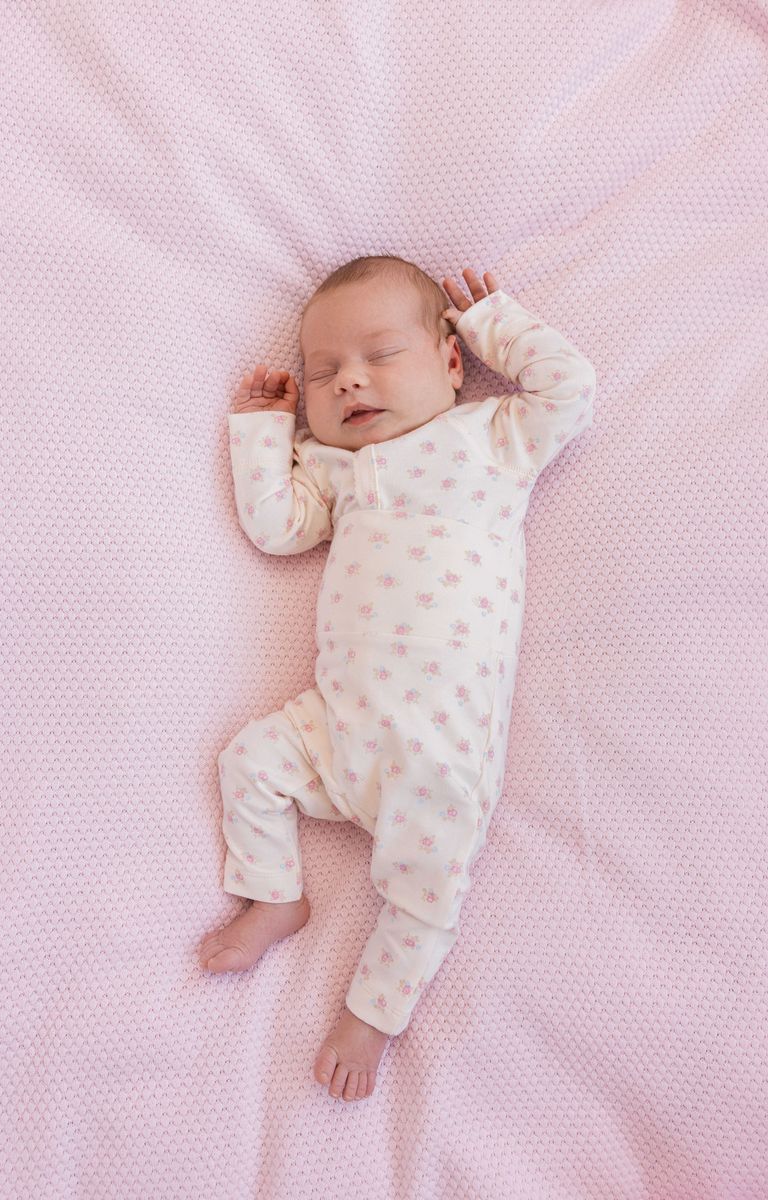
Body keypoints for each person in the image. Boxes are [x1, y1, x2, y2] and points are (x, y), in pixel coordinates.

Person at [199, 257, 596, 1102]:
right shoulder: (331, 468)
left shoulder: (491, 437)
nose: (350, 379)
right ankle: (274, 896)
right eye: (323, 373)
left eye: (380, 355)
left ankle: (372, 1017)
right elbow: (276, 527)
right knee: (249, 762)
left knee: (424, 892)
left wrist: (493, 323)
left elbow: (570, 390)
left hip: (437, 751)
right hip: (335, 724)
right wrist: (263, 430)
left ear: (452, 364)